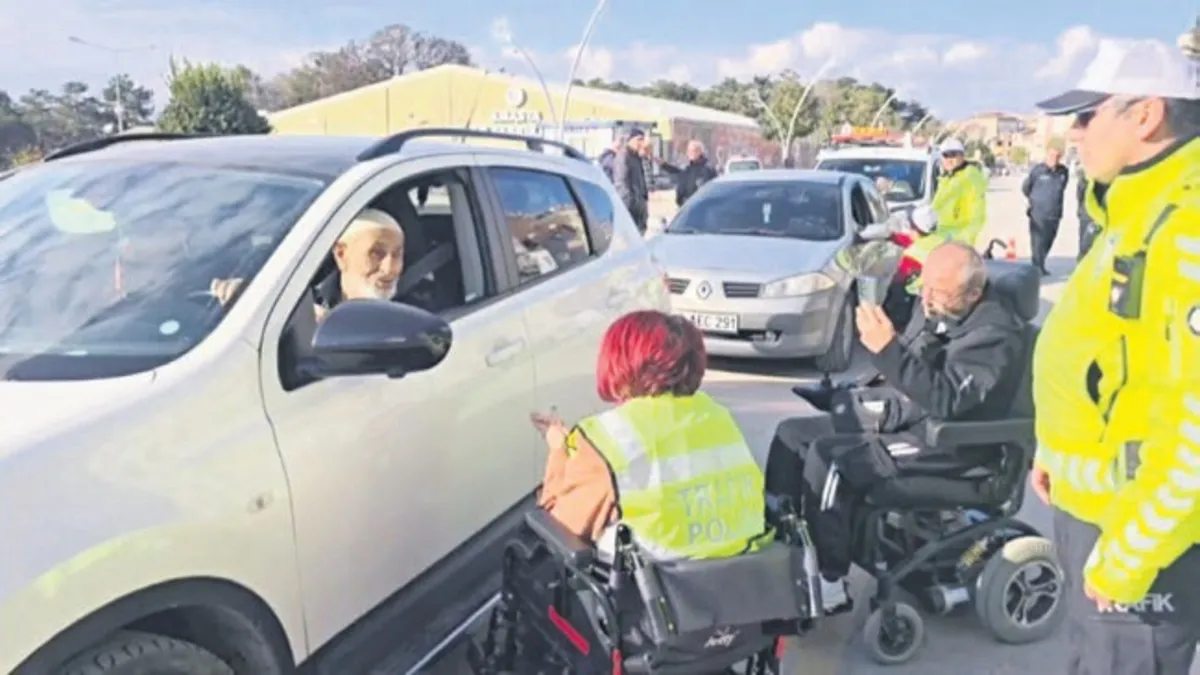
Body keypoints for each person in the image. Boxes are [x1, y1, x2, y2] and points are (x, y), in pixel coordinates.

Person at [1028, 38, 1200, 675]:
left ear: (1146, 115)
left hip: (1139, 537)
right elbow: (1107, 355)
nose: (1074, 134)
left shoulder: (1186, 229)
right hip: (1094, 511)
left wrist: (1132, 553)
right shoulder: (1134, 211)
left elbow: (1195, 429)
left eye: (1086, 116)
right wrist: (1057, 450)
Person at [764, 242, 1028, 613]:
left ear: (973, 292)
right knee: (793, 436)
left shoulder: (995, 336)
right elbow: (911, 360)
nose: (927, 297)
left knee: (832, 461)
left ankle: (829, 578)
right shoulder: (939, 307)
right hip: (912, 420)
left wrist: (887, 348)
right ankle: (781, 546)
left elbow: (946, 399)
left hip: (952, 448)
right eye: (926, 285)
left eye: (939, 291)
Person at [535, 310, 768, 561]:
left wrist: (559, 449)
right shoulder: (717, 416)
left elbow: (562, 522)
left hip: (657, 591)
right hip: (744, 577)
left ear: (618, 362)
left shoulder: (606, 438)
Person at [211, 208, 409, 319]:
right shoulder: (307, 296)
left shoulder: (417, 309)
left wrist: (318, 321)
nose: (390, 269)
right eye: (376, 254)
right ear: (341, 254)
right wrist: (251, 298)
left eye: (398, 254)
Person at [1021, 145, 1070, 275]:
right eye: (1052, 156)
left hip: (1055, 213)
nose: (1054, 159)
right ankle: (1037, 266)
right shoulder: (1037, 171)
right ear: (1046, 155)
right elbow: (1026, 187)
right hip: (1038, 213)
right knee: (1037, 242)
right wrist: (1035, 200)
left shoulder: (1064, 172)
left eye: (1057, 156)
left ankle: (1040, 264)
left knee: (1048, 241)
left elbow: (1062, 187)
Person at [930, 138, 988, 245]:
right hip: (940, 238)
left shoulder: (970, 176)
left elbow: (978, 214)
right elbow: (937, 207)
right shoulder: (946, 178)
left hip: (958, 241)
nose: (948, 159)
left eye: (953, 155)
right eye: (945, 155)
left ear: (962, 156)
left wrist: (965, 240)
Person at [657, 140, 719, 207]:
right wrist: (664, 165)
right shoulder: (688, 167)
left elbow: (713, 188)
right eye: (689, 151)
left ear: (700, 152)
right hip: (685, 205)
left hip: (700, 206)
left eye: (693, 151)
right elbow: (676, 170)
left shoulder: (708, 168)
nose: (690, 153)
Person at [612, 128, 650, 235]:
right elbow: (621, 184)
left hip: (639, 208)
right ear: (630, 140)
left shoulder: (637, 157)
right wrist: (630, 206)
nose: (642, 143)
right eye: (639, 139)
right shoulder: (624, 157)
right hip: (631, 209)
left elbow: (643, 182)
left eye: (643, 140)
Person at [1075, 165, 1103, 261]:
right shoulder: (1084, 180)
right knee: (1085, 243)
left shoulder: (1105, 179)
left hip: (1100, 216)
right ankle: (1082, 262)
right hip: (1087, 215)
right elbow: (1080, 196)